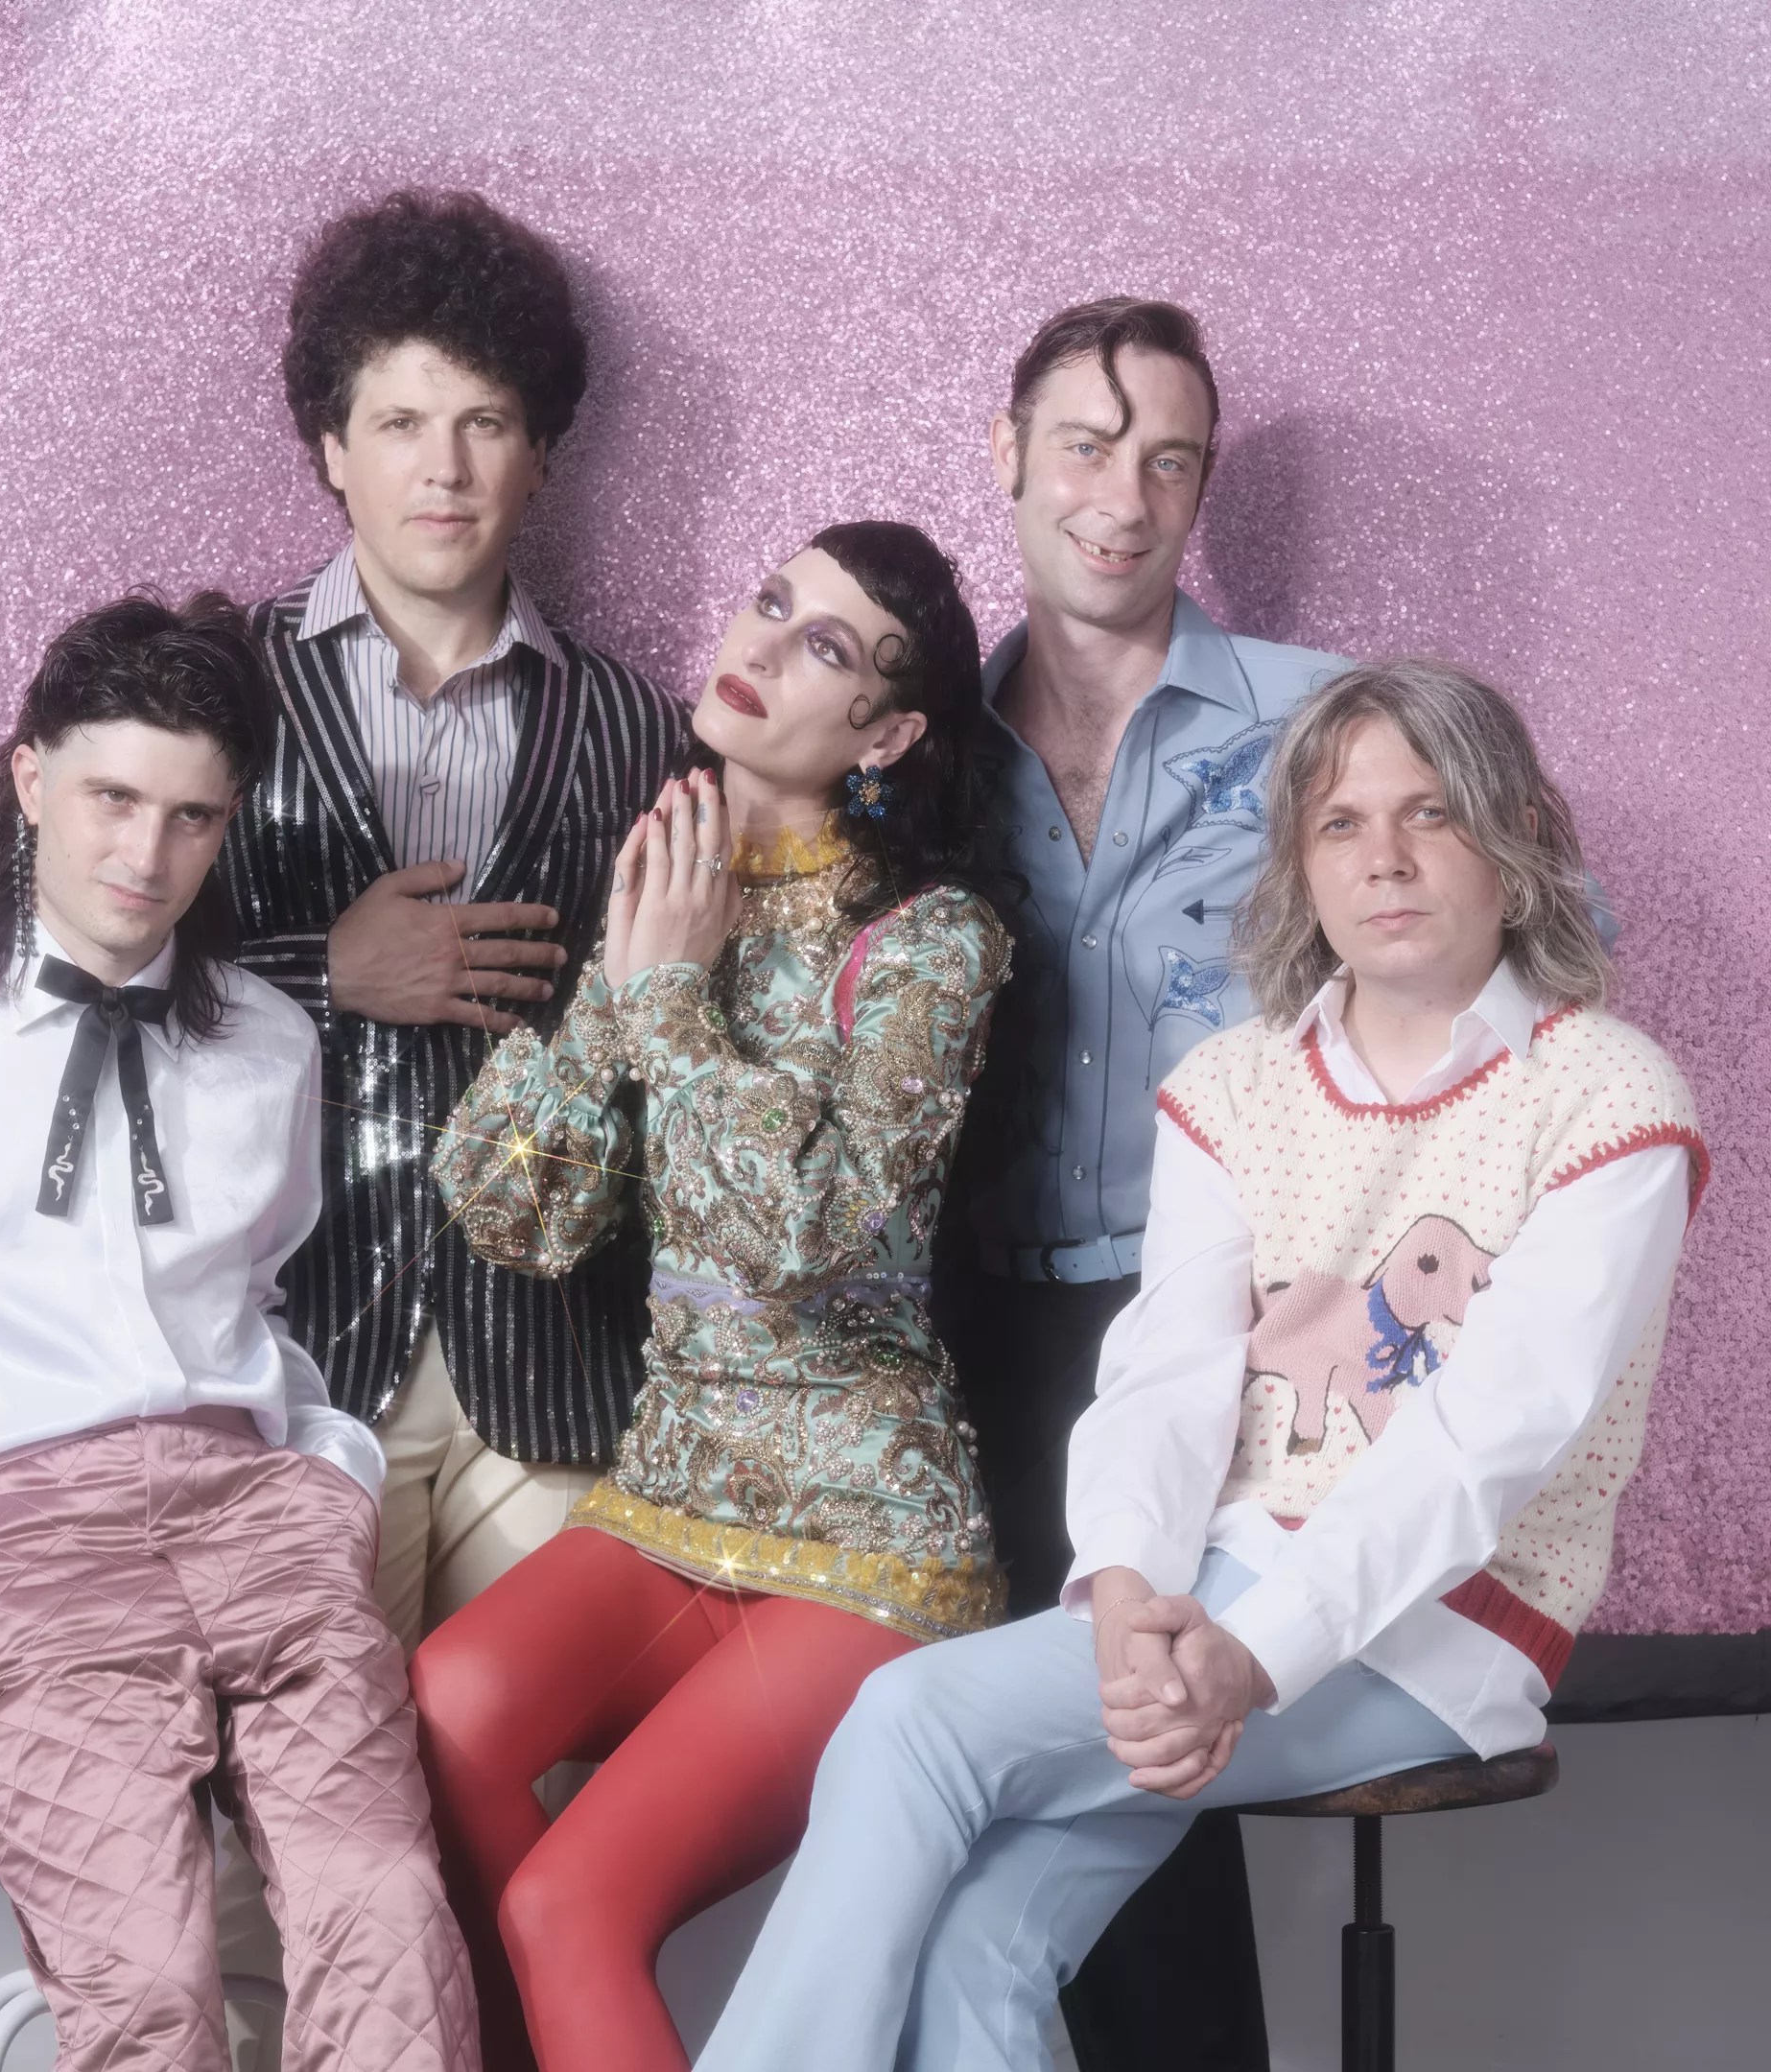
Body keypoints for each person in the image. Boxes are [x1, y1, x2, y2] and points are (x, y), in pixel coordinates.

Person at [698, 657, 1707, 2072]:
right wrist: (1127, 1597)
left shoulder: (1608, 1095)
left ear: (1518, 833)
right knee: (981, 1937)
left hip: (1437, 1624)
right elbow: (1166, 1376)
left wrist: (1253, 1654)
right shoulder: (1233, 1085)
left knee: (913, 1720)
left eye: (1431, 812)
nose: (1386, 857)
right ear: (1301, 862)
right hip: (1207, 1589)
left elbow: (1486, 1441)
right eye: (1341, 823)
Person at [0, 596, 477, 2071]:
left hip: (259, 1514)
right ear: (31, 780)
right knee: (148, 1990)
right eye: (113, 798)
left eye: (191, 817)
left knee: (389, 1921)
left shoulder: (267, 1039)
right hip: (17, 1540)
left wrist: (330, 1473)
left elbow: (253, 1292)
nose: (146, 854)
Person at [409, 522, 1008, 2072]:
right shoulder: (669, 886)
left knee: (569, 1908)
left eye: (829, 647)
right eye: (772, 602)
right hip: (670, 1494)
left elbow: (799, 1236)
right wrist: (627, 985)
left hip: (864, 1537)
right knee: (446, 1707)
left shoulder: (931, 943)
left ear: (886, 735)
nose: (767, 645)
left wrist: (671, 998)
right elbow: (516, 1212)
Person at [938, 294, 1344, 2064]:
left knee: (1144, 1789)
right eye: (1087, 448)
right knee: (991, 1805)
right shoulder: (917, 743)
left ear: (1204, 487)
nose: (1124, 498)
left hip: (1220, 1333)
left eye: (1168, 461)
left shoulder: (1323, 722)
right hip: (968, 1338)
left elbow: (1533, 954)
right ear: (1009, 457)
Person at [220, 189, 685, 1657]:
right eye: (403, 422)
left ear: (542, 452)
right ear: (331, 448)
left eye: (485, 422)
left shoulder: (634, 725)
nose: (446, 467)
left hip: (551, 1365)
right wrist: (324, 973)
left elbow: (675, 1026)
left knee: (535, 1767)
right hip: (288, 1353)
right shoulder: (218, 689)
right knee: (307, 1769)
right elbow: (75, 978)